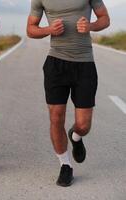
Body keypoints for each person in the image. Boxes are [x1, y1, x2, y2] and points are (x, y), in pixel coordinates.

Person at [27, 0, 110, 186]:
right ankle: (65, 165)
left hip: (85, 63)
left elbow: (105, 19)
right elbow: (31, 29)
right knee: (56, 118)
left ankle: (76, 136)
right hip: (56, 62)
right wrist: (49, 30)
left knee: (84, 124)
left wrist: (91, 26)